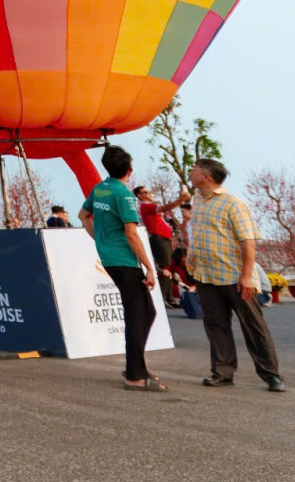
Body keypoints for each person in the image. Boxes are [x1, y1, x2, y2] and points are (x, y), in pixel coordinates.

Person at [186, 158, 284, 392]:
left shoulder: (233, 204)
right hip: (206, 275)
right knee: (216, 325)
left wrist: (247, 276)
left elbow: (247, 242)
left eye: (195, 170)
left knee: (253, 326)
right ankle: (222, 371)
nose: (191, 173)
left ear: (206, 176)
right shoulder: (197, 200)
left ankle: (271, 374)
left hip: (234, 276)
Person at [80, 145, 164, 391]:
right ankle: (135, 375)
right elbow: (131, 233)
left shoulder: (100, 189)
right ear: (130, 170)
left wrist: (99, 239)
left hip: (110, 258)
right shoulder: (124, 194)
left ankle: (136, 364)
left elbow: (83, 215)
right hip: (125, 262)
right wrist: (149, 267)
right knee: (137, 316)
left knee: (147, 312)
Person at [133, 186, 183, 306]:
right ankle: (163, 298)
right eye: (145, 192)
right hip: (159, 239)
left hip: (164, 239)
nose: (149, 194)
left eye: (149, 191)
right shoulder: (146, 206)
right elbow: (165, 207)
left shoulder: (149, 206)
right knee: (165, 269)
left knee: (168, 268)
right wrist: (180, 200)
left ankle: (169, 297)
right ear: (139, 195)